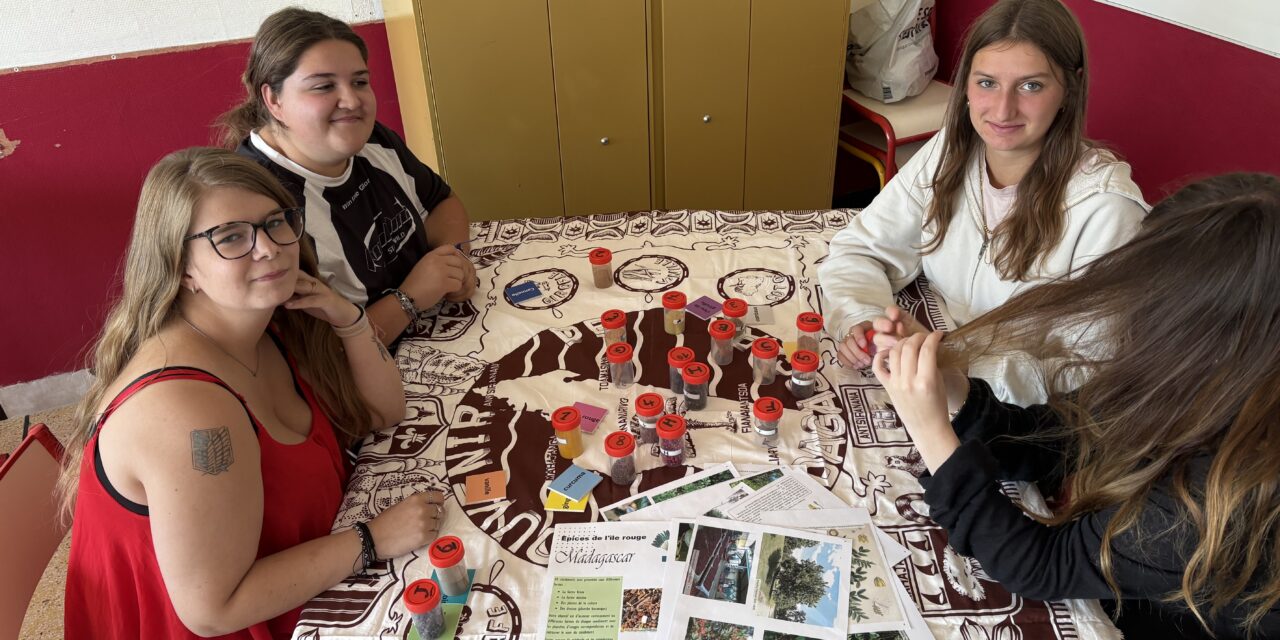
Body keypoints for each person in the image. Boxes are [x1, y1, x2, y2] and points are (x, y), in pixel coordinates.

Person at [874, 173, 1280, 639]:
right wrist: (951, 389)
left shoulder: (1221, 489)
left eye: (1148, 297)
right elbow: (1062, 436)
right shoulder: (1192, 383)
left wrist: (932, 436)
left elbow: (1040, 566)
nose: (1130, 312)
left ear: (1195, 332)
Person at [59, 148, 444, 638]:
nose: (268, 249)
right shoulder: (187, 414)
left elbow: (385, 411)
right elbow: (213, 611)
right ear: (181, 268)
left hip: (306, 581)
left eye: (276, 222)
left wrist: (348, 320)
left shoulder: (266, 323)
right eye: (231, 238)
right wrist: (370, 540)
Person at [818, 0, 1148, 404]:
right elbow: (860, 249)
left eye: (1032, 85)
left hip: (1012, 421)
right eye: (987, 82)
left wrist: (953, 365)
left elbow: (1092, 374)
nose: (1003, 109)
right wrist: (865, 322)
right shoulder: (950, 150)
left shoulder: (1107, 210)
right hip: (928, 375)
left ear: (1070, 89)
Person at [218, 7, 476, 345]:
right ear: (273, 100)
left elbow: (442, 202)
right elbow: (321, 353)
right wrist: (410, 298)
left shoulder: (372, 139)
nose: (352, 100)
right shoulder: (259, 203)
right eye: (324, 86)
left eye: (360, 81)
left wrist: (453, 260)